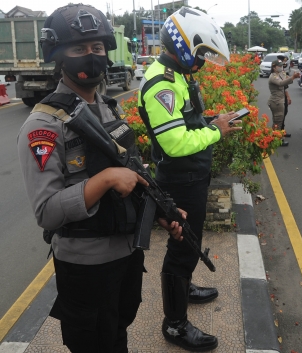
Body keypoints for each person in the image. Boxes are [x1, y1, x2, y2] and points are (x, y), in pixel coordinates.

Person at [17, 4, 184, 352]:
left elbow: (134, 174)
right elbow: (46, 211)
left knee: (118, 332)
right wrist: (105, 179)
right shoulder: (43, 127)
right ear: (60, 56)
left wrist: (163, 212)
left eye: (97, 48)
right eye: (79, 48)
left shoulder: (108, 108)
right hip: (85, 267)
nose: (91, 56)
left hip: (126, 256)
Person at [137, 7, 241, 351]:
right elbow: (174, 141)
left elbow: (186, 122)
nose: (202, 62)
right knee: (181, 248)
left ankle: (186, 287)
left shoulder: (177, 75)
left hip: (192, 176)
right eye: (201, 54)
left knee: (188, 243)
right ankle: (175, 325)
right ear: (183, 46)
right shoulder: (161, 84)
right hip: (180, 179)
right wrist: (216, 131)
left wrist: (212, 119)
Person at [268, 59, 301, 146]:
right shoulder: (273, 77)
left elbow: (285, 83)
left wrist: (294, 76)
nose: (281, 67)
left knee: (278, 121)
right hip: (276, 102)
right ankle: (278, 140)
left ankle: (273, 138)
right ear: (274, 67)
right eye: (279, 66)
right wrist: (293, 77)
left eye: (282, 65)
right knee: (278, 122)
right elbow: (281, 83)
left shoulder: (279, 74)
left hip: (279, 101)